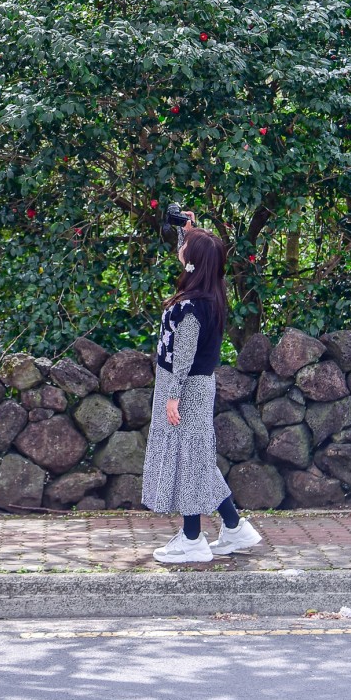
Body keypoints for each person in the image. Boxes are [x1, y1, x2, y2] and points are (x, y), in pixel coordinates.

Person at [142, 212, 262, 564]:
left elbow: (184, 355)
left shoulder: (192, 307)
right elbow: (192, 257)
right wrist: (187, 232)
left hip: (185, 387)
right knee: (194, 459)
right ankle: (233, 527)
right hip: (193, 384)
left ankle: (193, 538)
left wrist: (172, 396)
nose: (182, 252)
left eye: (188, 249)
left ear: (195, 263)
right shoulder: (209, 293)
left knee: (189, 458)